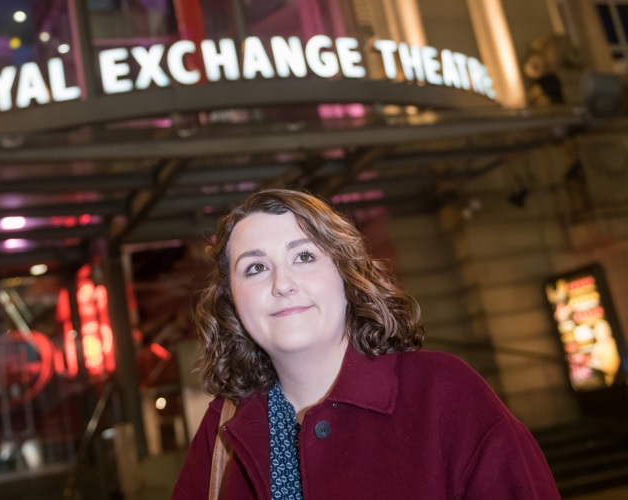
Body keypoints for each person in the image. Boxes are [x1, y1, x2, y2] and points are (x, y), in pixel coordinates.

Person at [172, 188, 559, 499]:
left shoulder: (445, 393)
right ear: (232, 301)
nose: (282, 283)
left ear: (346, 276)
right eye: (255, 268)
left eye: (304, 256)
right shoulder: (223, 429)